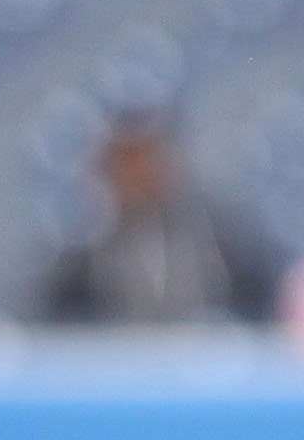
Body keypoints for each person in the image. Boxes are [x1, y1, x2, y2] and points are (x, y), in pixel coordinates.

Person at [38, 112, 272, 326]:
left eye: (144, 164)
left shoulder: (214, 248)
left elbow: (256, 304)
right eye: (126, 165)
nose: (137, 177)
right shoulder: (87, 262)